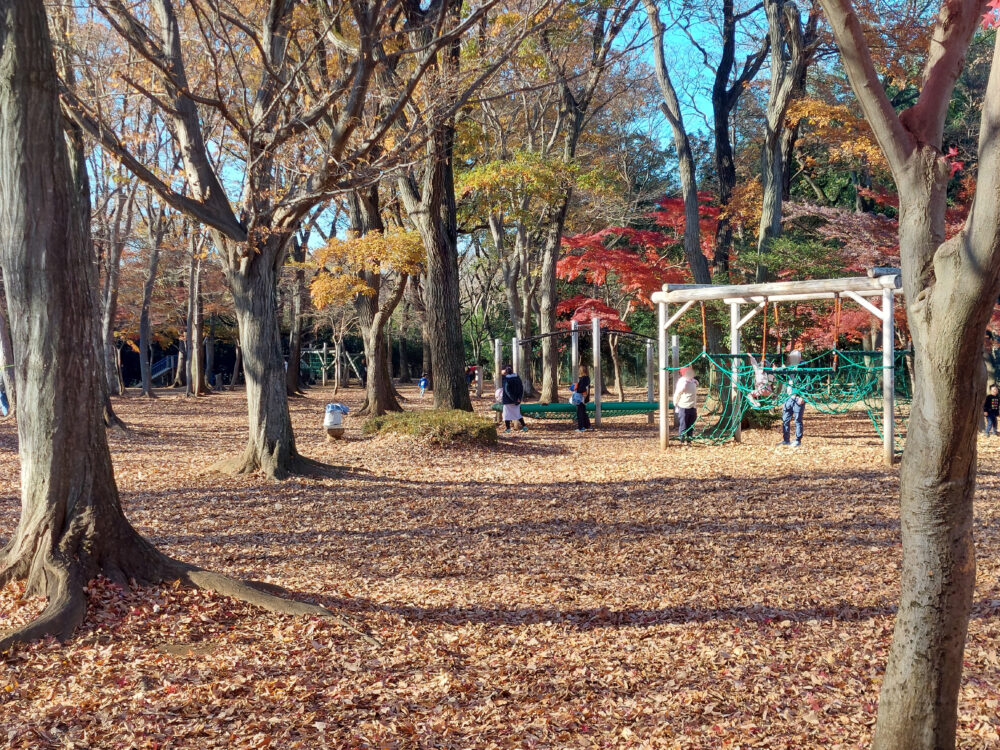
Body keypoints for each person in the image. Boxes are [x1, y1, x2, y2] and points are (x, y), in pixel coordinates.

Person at [779, 349, 805, 447]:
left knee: (797, 419)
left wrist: (803, 396)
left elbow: (807, 383)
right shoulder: (790, 368)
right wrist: (780, 370)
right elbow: (783, 378)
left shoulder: (803, 368)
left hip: (798, 397)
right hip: (789, 397)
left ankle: (798, 440)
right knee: (785, 419)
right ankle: (786, 440)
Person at [673, 366, 698, 442]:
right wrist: (676, 403)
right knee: (683, 425)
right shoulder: (682, 381)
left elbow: (697, 383)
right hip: (683, 407)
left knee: (691, 425)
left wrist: (694, 381)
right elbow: (677, 393)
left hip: (692, 406)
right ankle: (682, 439)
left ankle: (689, 439)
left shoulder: (693, 381)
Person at [501, 365, 527, 432]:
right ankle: (524, 426)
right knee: (517, 414)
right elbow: (521, 388)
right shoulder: (518, 378)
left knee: (506, 415)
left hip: (508, 400)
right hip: (517, 400)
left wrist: (514, 399)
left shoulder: (506, 379)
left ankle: (508, 428)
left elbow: (507, 391)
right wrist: (518, 398)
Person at [572, 365, 591, 432]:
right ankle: (587, 425)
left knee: (580, 412)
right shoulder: (587, 378)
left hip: (580, 398)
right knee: (583, 412)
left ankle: (581, 427)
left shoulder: (583, 379)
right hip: (584, 398)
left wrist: (576, 387)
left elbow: (581, 389)